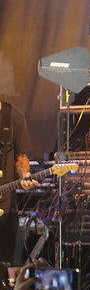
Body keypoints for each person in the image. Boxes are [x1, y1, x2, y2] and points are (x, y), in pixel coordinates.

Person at [0, 101, 37, 264]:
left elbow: (21, 158)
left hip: (5, 210)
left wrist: (25, 175)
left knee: (6, 266)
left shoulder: (12, 117)